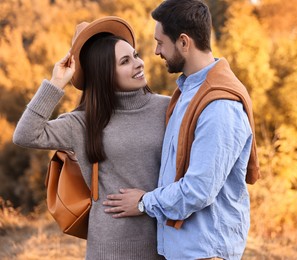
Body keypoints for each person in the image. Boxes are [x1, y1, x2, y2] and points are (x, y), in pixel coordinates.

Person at [104, 0, 260, 259]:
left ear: (184, 42)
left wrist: (144, 202)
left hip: (205, 253)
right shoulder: (188, 92)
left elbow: (198, 190)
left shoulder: (219, 106)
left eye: (161, 42)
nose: (156, 51)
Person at [13, 16, 169, 259]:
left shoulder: (168, 108)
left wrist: (147, 201)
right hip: (109, 249)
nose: (139, 64)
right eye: (125, 61)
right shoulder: (83, 122)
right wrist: (56, 83)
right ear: (104, 74)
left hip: (165, 244)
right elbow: (25, 134)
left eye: (136, 55)